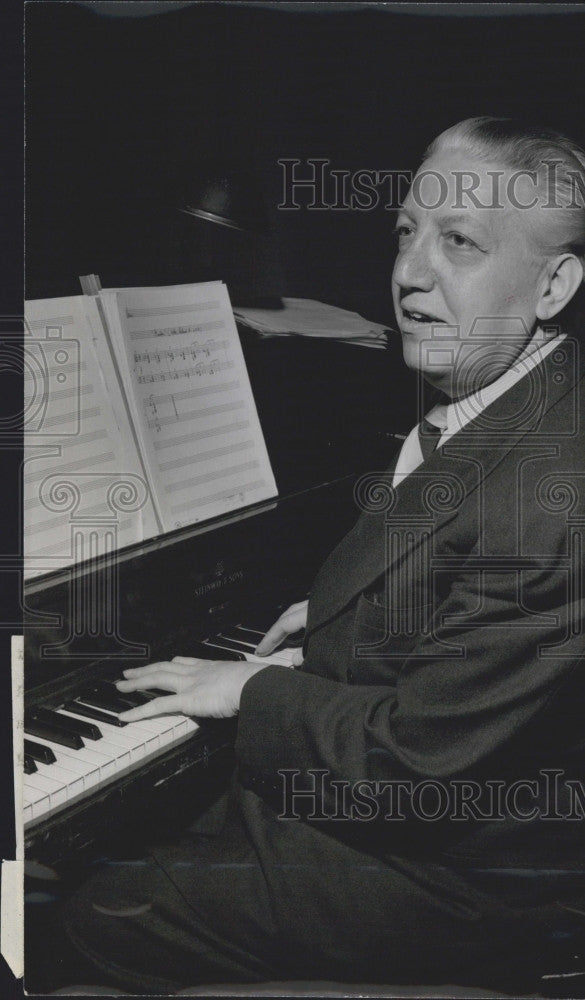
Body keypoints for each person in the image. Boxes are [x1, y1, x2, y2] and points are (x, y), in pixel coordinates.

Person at [48, 117, 585, 994]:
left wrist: (255, 687)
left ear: (554, 282)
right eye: (407, 231)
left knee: (93, 908)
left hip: (468, 881)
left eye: (460, 241)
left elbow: (414, 766)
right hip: (423, 804)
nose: (410, 272)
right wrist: (345, 616)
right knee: (131, 832)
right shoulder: (510, 396)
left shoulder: (555, 490)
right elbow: (449, 574)